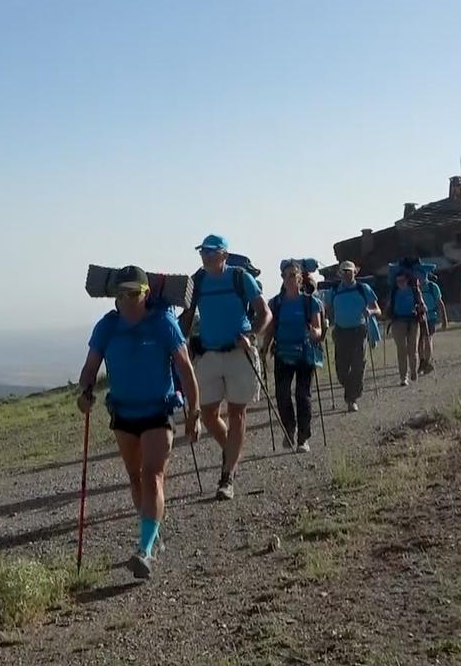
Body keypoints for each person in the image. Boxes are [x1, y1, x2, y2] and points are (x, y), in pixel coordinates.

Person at [76, 266, 200, 580]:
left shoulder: (163, 323)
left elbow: (185, 369)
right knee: (135, 478)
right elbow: (90, 367)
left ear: (146, 293)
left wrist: (193, 413)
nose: (127, 299)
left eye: (134, 293)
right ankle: (151, 529)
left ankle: (144, 550)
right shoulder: (107, 327)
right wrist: (85, 391)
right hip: (123, 413)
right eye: (121, 293)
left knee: (152, 475)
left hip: (158, 411)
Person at [179, 234, 272, 501]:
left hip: (238, 353)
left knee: (236, 414)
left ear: (224, 255)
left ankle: (227, 477)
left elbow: (265, 313)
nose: (205, 256)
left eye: (211, 252)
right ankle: (232, 452)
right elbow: (187, 317)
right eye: (202, 252)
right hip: (208, 353)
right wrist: (177, 345)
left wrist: (252, 335)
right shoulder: (197, 282)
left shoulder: (240, 277)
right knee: (208, 415)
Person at [261, 259, 325, 451]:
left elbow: (319, 328)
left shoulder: (311, 302)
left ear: (300, 278)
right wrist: (264, 349)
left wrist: (316, 333)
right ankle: (289, 430)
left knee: (303, 395)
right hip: (282, 353)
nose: (288, 279)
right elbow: (271, 329)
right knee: (282, 395)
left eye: (292, 276)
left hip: (305, 353)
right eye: (284, 276)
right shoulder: (276, 303)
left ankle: (303, 438)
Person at [325, 261, 380, 412]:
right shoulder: (334, 291)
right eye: (344, 271)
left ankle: (352, 399)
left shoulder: (363, 289)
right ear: (340, 273)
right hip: (340, 332)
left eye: (350, 271)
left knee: (358, 365)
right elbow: (327, 309)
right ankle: (350, 389)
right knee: (341, 370)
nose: (347, 274)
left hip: (359, 331)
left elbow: (378, 309)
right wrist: (325, 320)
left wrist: (371, 311)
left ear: (355, 272)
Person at [387, 268, 426, 386]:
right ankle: (403, 377)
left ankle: (413, 371)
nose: (400, 283)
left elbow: (421, 303)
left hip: (413, 321)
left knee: (412, 349)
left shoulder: (414, 290)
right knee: (401, 349)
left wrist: (422, 307)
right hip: (398, 321)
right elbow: (389, 305)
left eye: (402, 280)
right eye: (398, 281)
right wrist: (385, 314)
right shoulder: (394, 292)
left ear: (407, 280)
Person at [417, 271, 448, 375]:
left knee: (427, 338)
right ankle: (422, 362)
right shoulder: (414, 288)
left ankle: (426, 362)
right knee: (420, 340)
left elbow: (440, 303)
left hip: (431, 317)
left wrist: (444, 320)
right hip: (418, 317)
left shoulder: (433, 287)